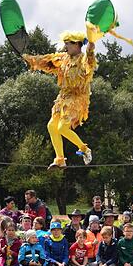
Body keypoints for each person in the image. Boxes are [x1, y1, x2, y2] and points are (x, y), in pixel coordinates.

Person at [23, 29, 98, 169]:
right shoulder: (63, 58)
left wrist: (91, 48)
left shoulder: (83, 59)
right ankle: (60, 159)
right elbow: (45, 61)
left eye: (68, 43)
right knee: (52, 126)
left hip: (77, 98)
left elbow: (90, 59)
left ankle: (85, 149)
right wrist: (29, 58)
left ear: (77, 44)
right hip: (63, 98)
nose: (65, 46)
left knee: (62, 127)